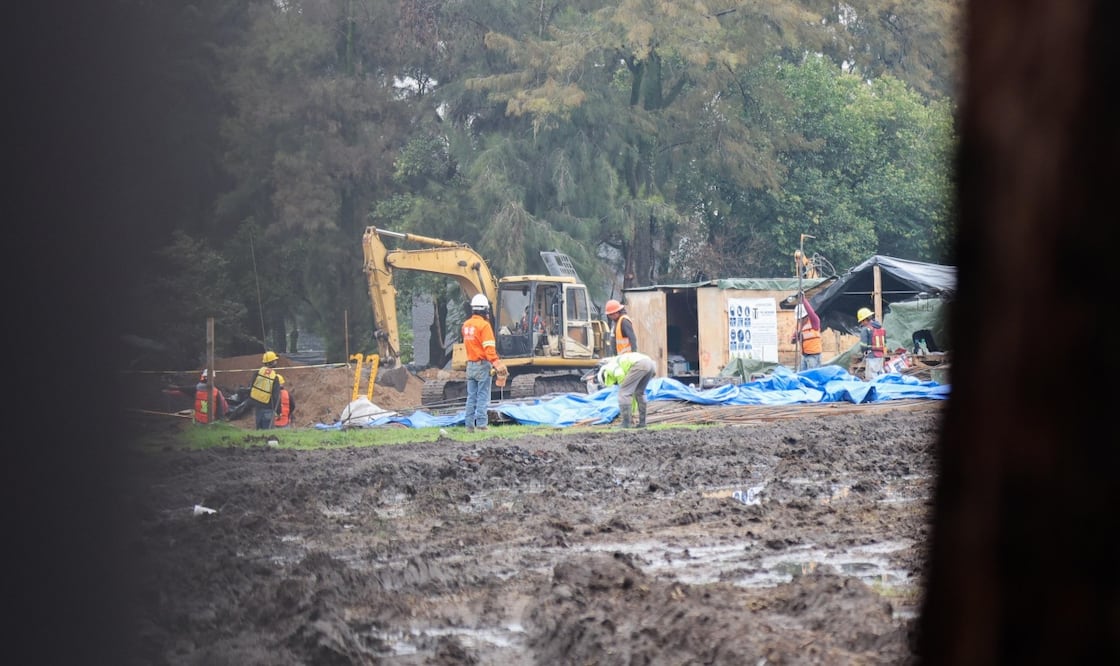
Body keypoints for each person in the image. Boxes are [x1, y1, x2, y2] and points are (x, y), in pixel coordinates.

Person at [462, 294, 506, 433]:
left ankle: (469, 425)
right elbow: (489, 349)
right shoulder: (484, 326)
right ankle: (481, 425)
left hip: (470, 365)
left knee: (471, 397)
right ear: (485, 310)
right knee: (482, 396)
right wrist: (497, 363)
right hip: (482, 365)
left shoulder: (466, 325)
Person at [597, 351, 657, 428]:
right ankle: (642, 423)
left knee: (623, 393)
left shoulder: (610, 366)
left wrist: (624, 388)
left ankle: (626, 423)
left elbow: (619, 374)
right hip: (650, 364)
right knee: (639, 393)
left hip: (640, 364)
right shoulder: (620, 360)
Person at [248, 350, 283, 429]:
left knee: (259, 432)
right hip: (268, 408)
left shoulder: (257, 373)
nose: (276, 362)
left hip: (257, 407)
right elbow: (276, 396)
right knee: (268, 432)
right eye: (275, 361)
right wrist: (279, 411)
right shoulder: (275, 377)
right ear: (272, 362)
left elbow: (251, 387)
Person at [790, 293, 822, 371]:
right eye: (798, 319)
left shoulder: (814, 322)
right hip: (804, 356)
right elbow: (792, 339)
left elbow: (811, 312)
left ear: (806, 316)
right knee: (800, 375)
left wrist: (803, 300)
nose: (799, 320)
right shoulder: (799, 326)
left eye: (801, 318)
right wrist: (794, 339)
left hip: (813, 356)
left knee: (812, 376)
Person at [857, 307, 887, 380]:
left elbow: (863, 346)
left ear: (865, 320)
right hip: (881, 356)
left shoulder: (865, 329)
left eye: (862, 321)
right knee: (880, 375)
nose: (862, 323)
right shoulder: (880, 328)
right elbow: (885, 342)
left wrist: (864, 352)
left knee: (872, 377)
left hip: (872, 356)